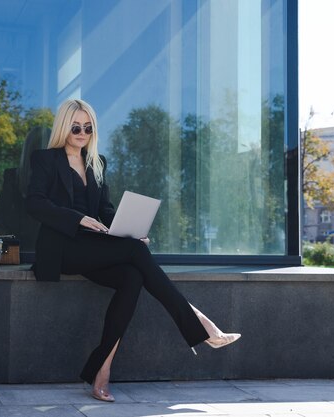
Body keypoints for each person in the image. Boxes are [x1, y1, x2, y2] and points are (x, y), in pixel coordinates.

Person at [25, 99, 241, 402]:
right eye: (76, 127)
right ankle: (201, 323)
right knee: (136, 256)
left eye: (88, 127)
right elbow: (34, 203)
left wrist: (132, 230)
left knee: (132, 277)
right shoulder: (46, 160)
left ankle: (102, 371)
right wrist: (78, 218)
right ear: (64, 127)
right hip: (63, 248)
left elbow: (106, 210)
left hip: (93, 246)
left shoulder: (97, 163)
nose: (82, 132)